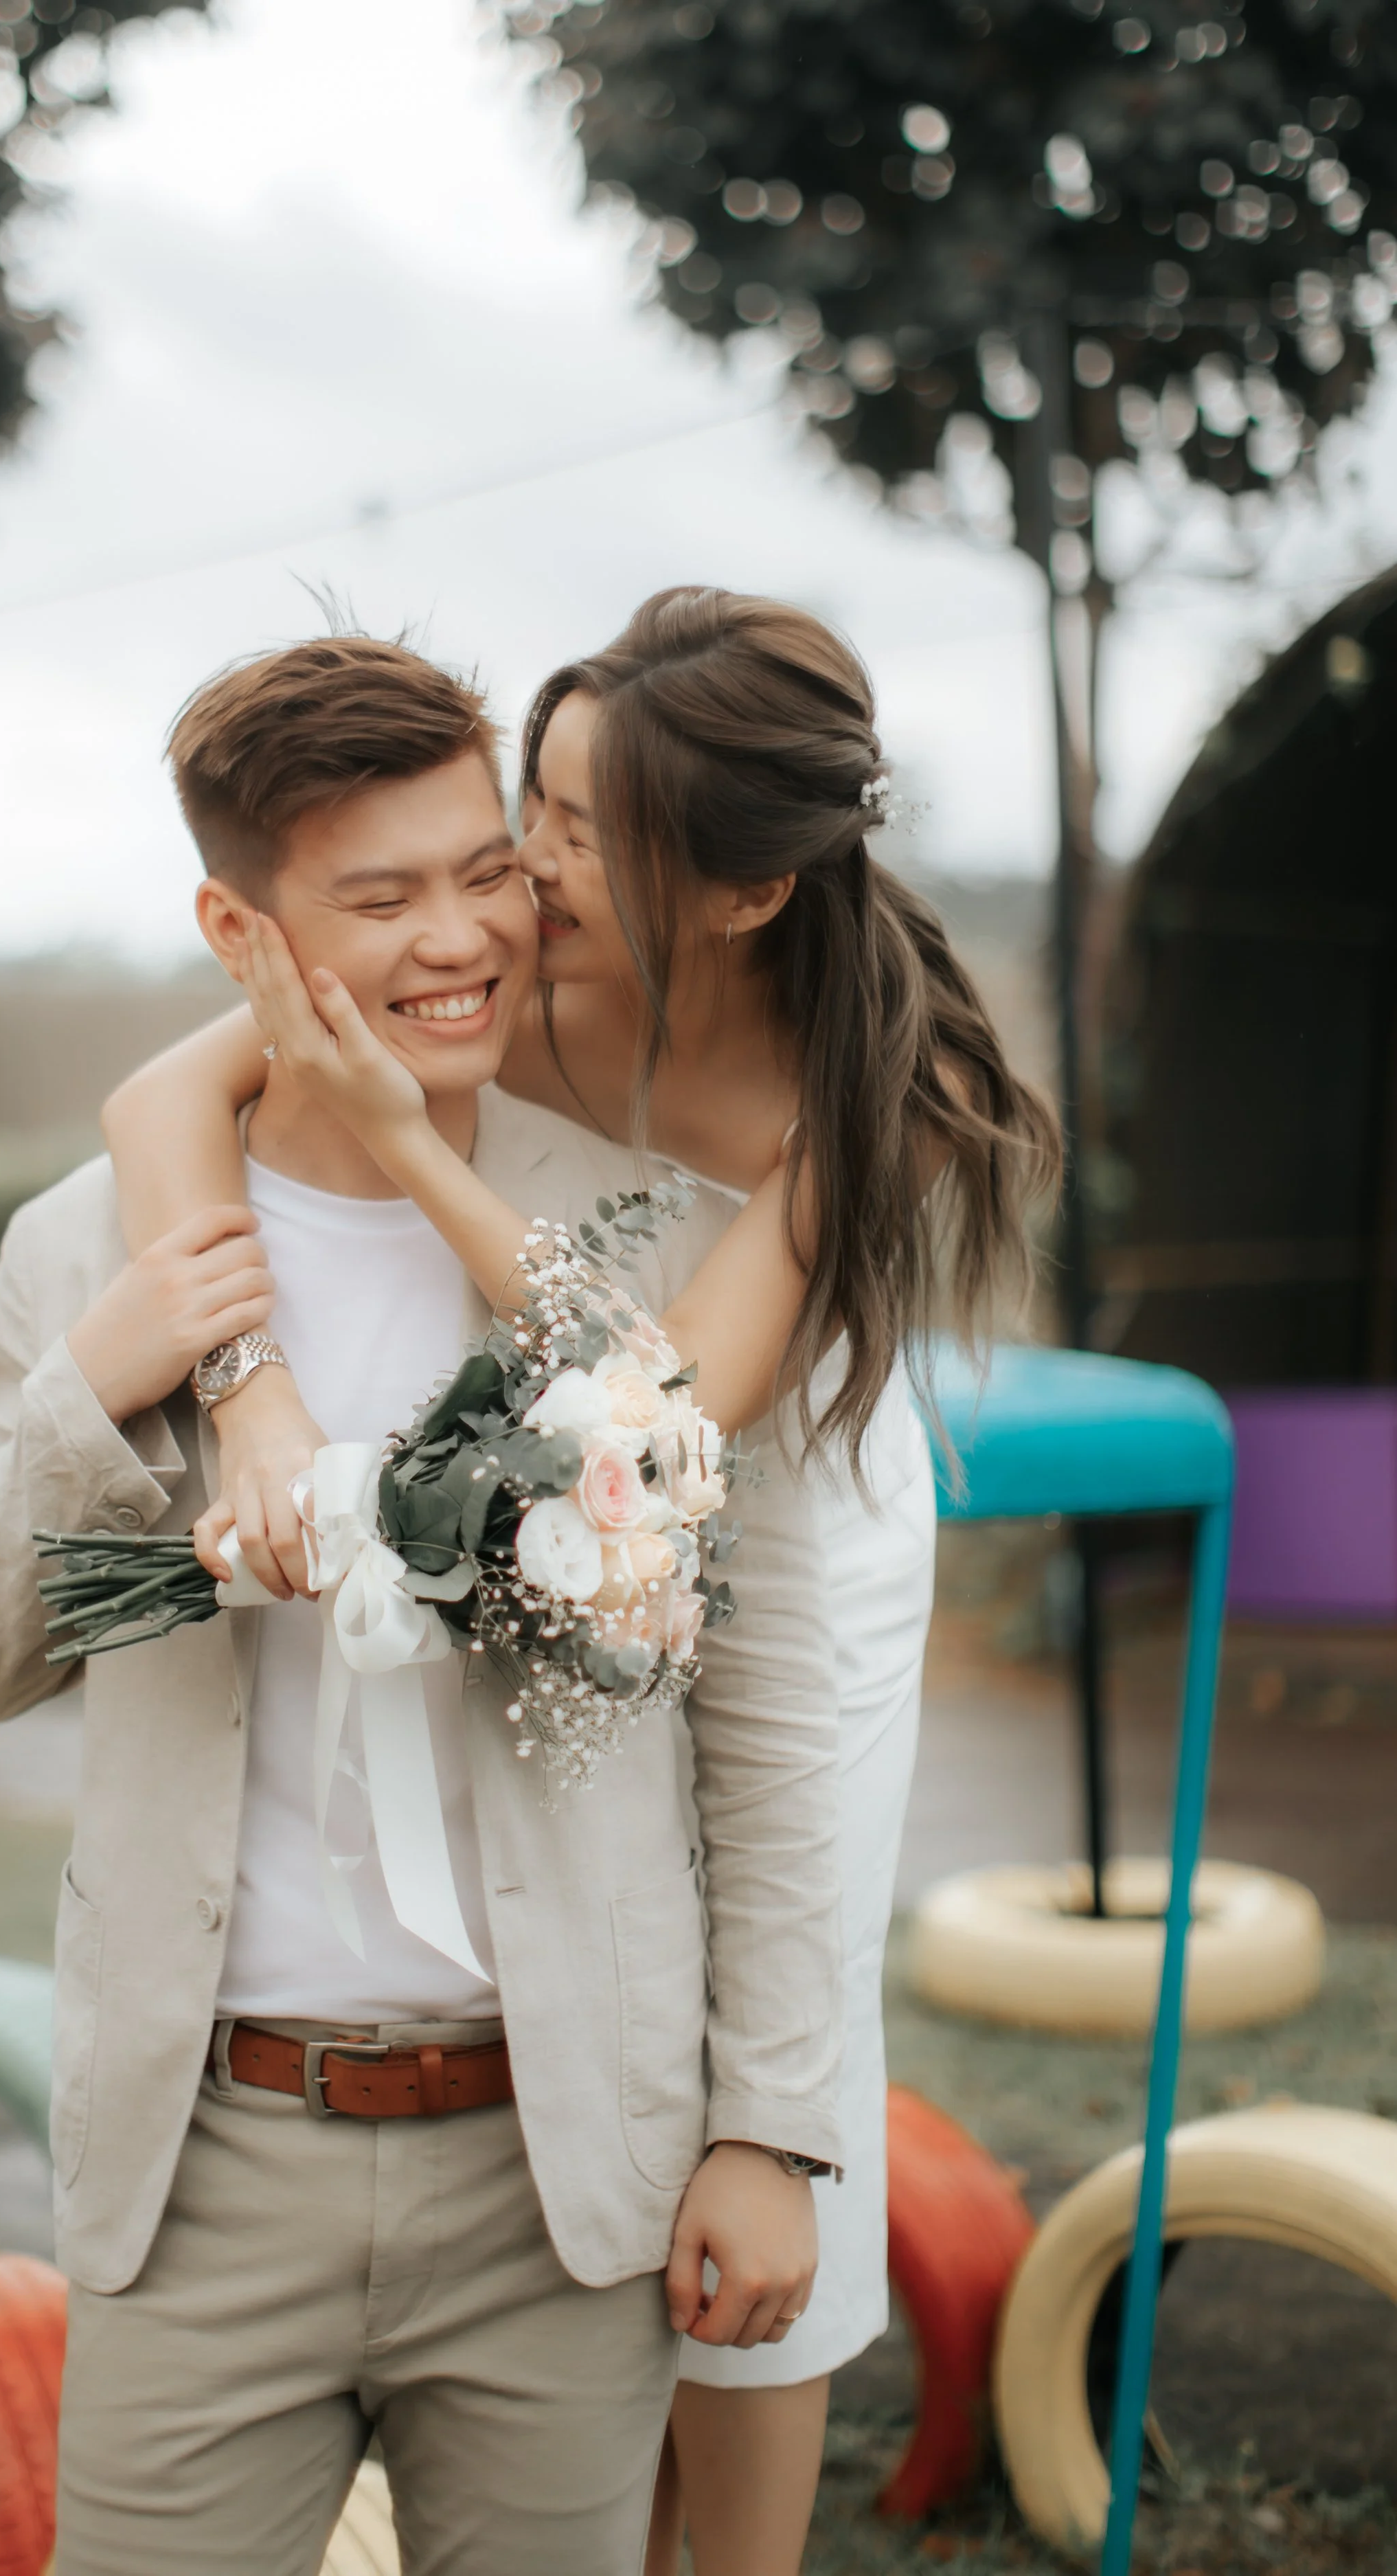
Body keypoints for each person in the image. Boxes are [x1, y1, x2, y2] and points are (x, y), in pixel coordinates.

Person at [102, 589, 1059, 2576]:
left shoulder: (863, 1098)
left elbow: (665, 1420)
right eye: (532, 798)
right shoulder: (512, 960)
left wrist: (409, 1146)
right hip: (544, 1439)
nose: (519, 866)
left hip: (770, 1487)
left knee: (765, 1965)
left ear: (738, 891)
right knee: (589, 1916)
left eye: (574, 831)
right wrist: (250, 1391)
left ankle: (742, 2525)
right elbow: (160, 1102)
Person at [0, 631, 845, 2576]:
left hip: (558, 2167)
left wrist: (768, 2124)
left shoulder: (637, 1250)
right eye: (380, 897)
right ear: (239, 931)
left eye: (486, 871)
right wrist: (99, 1388)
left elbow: (761, 1724)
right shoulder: (87, 1252)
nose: (459, 939)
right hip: (201, 2166)